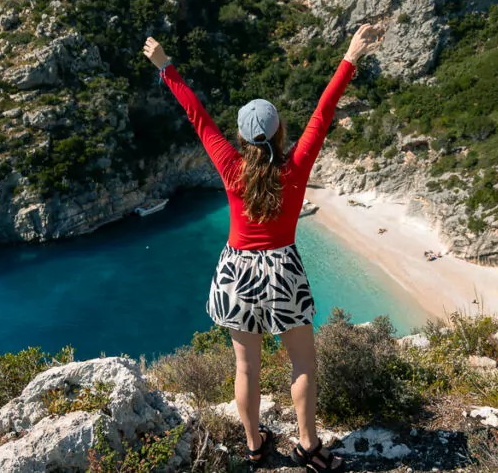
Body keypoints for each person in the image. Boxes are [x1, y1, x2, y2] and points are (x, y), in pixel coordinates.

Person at [142, 24, 382, 471]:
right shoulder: (295, 166)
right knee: (303, 362)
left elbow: (197, 116)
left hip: (235, 273)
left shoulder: (230, 165)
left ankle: (256, 447)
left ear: (243, 139)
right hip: (283, 273)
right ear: (278, 134)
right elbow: (324, 111)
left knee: (246, 368)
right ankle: (309, 449)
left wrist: (165, 67)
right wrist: (350, 55)